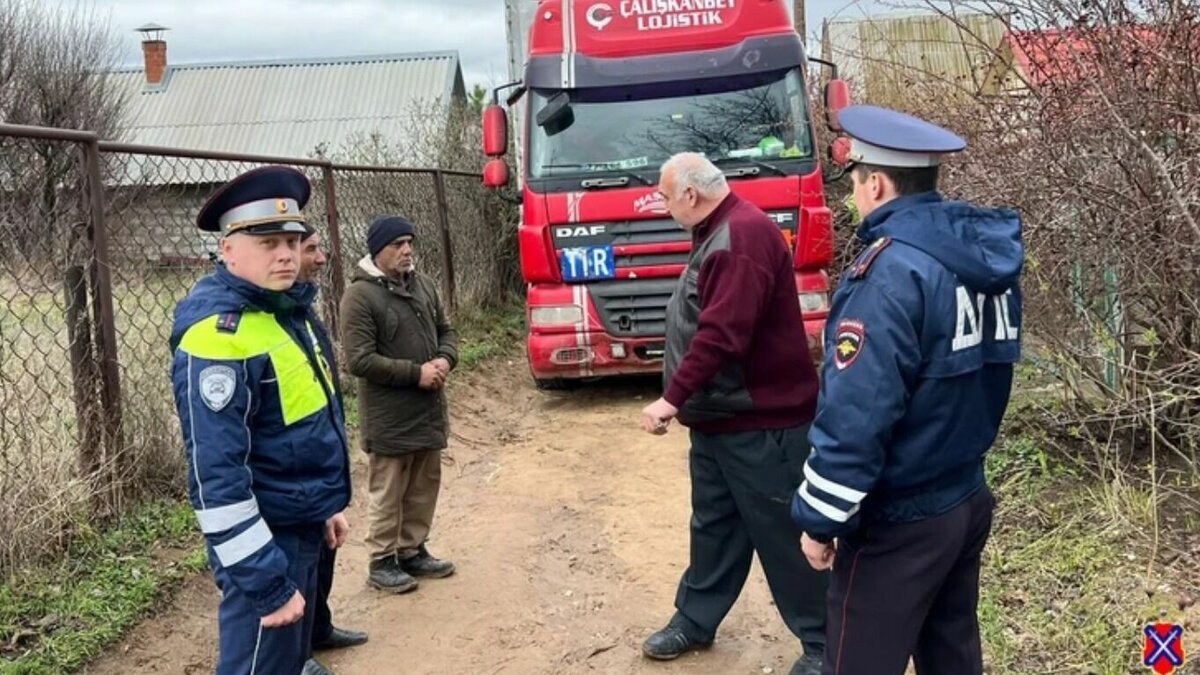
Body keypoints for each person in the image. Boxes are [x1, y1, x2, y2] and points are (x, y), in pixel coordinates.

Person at [790, 105, 1024, 675]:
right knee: (952, 657)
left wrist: (821, 520)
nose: (854, 195)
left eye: (855, 181)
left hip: (900, 518)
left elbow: (857, 414)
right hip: (965, 495)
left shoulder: (891, 273)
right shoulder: (981, 261)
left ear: (876, 182)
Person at [639, 152, 828, 675]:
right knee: (714, 527)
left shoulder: (738, 238)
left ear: (691, 196)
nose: (661, 203)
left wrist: (670, 400)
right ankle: (695, 620)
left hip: (761, 423)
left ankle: (825, 643)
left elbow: (722, 337)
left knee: (786, 534)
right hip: (721, 420)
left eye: (664, 194)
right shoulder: (718, 230)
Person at [169, 166, 352, 675]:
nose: (286, 255)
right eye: (269, 242)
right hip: (263, 546)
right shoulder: (218, 339)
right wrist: (267, 585)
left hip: (298, 527)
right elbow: (217, 481)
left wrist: (322, 506)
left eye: (292, 241)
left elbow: (300, 429)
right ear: (228, 250)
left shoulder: (284, 313)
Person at [340, 215, 458, 594]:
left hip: (427, 412)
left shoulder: (423, 284)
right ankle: (382, 561)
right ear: (378, 250)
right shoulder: (360, 296)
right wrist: (415, 374)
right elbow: (358, 360)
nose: (407, 250)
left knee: (424, 485)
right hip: (389, 417)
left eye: (410, 242)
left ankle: (411, 551)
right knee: (388, 490)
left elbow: (446, 330)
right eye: (397, 244)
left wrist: (444, 359)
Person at [296, 231, 369, 674]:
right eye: (311, 250)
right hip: (291, 477)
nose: (322, 259)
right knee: (295, 566)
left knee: (322, 556)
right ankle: (295, 653)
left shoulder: (303, 313)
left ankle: (318, 629)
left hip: (319, 470)